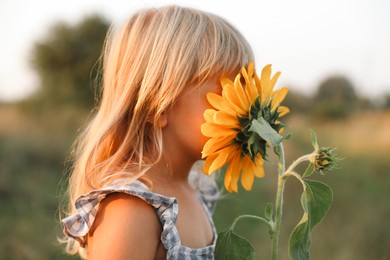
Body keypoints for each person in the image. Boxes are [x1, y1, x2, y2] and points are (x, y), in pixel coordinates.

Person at [60, 5, 254, 259]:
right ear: (157, 105)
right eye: (225, 95)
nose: (245, 112)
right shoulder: (131, 210)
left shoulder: (195, 191)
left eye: (246, 96)